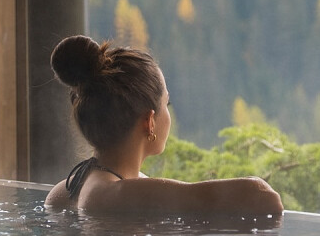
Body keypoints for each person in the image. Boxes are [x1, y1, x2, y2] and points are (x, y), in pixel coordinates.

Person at [44, 35, 284, 219]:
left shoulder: (63, 192)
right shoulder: (118, 194)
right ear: (149, 122)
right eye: (166, 103)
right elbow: (264, 198)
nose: (168, 113)